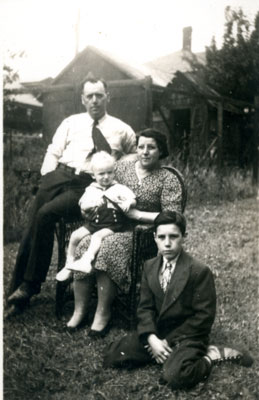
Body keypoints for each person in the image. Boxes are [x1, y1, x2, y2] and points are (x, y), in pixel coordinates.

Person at [7, 75, 136, 315]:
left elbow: (136, 154)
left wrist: (118, 162)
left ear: (108, 96)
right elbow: (53, 152)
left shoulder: (121, 128)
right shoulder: (70, 122)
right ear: (83, 99)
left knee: (45, 215)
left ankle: (30, 285)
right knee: (32, 221)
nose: (95, 100)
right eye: (90, 96)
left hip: (86, 185)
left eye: (99, 95)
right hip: (58, 176)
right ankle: (16, 292)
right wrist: (47, 176)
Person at [103, 211, 254, 390]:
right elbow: (145, 308)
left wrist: (167, 342)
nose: (167, 243)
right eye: (162, 237)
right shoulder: (150, 266)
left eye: (173, 236)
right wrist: (151, 338)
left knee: (174, 376)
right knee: (112, 356)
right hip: (158, 332)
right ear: (155, 238)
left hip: (187, 335)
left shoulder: (198, 270)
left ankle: (210, 355)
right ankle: (170, 355)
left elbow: (203, 317)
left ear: (184, 237)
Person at [66, 128, 183, 333]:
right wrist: (90, 207)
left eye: (151, 147)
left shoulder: (167, 178)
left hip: (143, 234)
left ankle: (103, 312)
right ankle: (79, 310)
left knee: (109, 246)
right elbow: (98, 182)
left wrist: (138, 215)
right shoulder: (121, 168)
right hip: (108, 225)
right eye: (141, 147)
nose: (145, 152)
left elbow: (173, 218)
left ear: (161, 150)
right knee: (85, 243)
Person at [56, 151, 136, 281]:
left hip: (112, 224)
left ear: (114, 172)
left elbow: (133, 199)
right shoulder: (91, 189)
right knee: (75, 236)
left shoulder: (119, 188)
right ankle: (68, 264)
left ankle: (87, 260)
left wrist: (128, 202)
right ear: (93, 175)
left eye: (109, 173)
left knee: (96, 236)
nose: (106, 177)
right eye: (101, 174)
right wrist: (91, 205)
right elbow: (83, 206)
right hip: (94, 223)